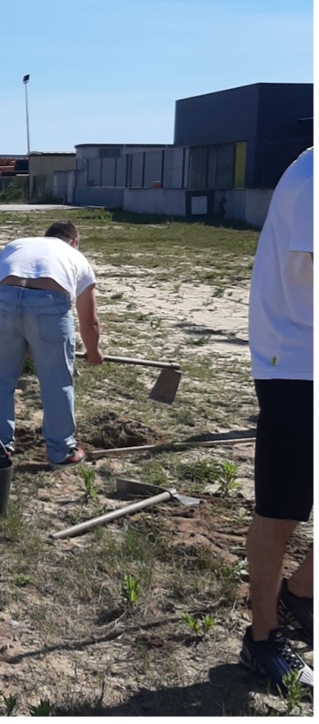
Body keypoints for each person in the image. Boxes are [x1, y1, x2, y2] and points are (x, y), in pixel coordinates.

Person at [240, 146, 313, 691]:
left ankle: (301, 593)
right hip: (295, 363)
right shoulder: (312, 174)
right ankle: (261, 637)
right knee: (283, 506)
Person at [0, 220, 102, 469]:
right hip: (49, 303)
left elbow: (8, 285)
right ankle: (61, 451)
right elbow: (89, 321)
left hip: (2, 301)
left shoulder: (17, 245)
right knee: (56, 381)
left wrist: (24, 337)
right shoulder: (75, 256)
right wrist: (93, 351)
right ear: (74, 242)